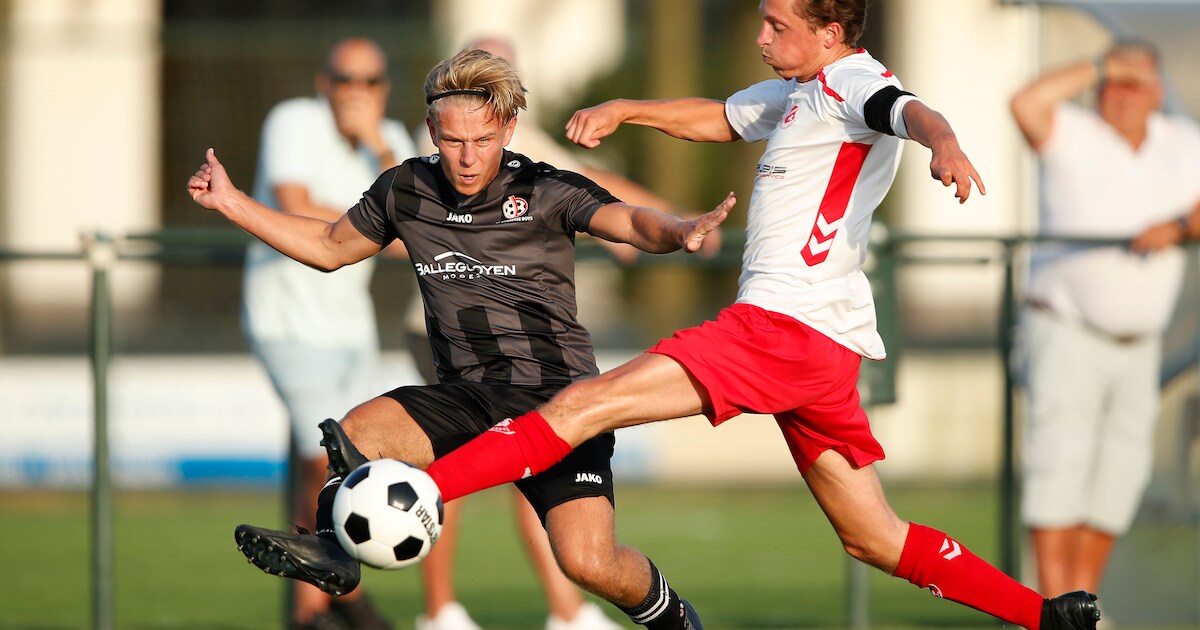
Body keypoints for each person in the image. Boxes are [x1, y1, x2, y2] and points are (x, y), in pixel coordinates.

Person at [406, 1, 1104, 628]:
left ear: (830, 34)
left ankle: (414, 491)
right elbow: (718, 117)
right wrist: (627, 108)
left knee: (581, 404)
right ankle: (1045, 617)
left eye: (778, 25)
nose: (761, 33)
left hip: (780, 329)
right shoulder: (802, 92)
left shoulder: (853, 83)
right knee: (873, 536)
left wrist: (942, 141)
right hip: (819, 345)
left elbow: (908, 109)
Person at [191, 47, 731, 630]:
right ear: (430, 130)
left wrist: (677, 229)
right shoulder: (405, 189)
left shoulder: (545, 189)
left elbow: (627, 221)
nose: (468, 158)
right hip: (466, 395)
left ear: (508, 128)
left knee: (589, 563)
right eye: (453, 142)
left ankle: (679, 621)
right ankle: (334, 556)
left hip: (560, 401)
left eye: (483, 140)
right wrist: (232, 201)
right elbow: (328, 247)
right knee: (352, 435)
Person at [408, 35, 697, 630]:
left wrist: (671, 225)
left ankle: (572, 610)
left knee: (562, 522)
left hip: (544, 371)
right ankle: (438, 610)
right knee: (438, 474)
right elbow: (344, 237)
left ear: (507, 116)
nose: (469, 151)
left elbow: (589, 189)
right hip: (456, 355)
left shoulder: (524, 156)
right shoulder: (432, 156)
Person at [1009, 39, 1200, 598]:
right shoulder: (1071, 131)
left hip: (1139, 342)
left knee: (1122, 474)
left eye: (1135, 82)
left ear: (1157, 91)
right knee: (1057, 467)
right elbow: (1025, 103)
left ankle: (1080, 601)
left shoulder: (1183, 143)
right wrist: (1097, 64)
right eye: (1113, 82)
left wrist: (1181, 227)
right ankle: (1053, 603)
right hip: (1065, 326)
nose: (1122, 94)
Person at [240, 37, 414, 630]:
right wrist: (373, 221)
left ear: (384, 87)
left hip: (350, 326)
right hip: (286, 319)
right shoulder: (293, 120)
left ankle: (313, 610)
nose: (357, 91)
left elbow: (412, 231)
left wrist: (378, 150)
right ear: (325, 82)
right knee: (324, 457)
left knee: (343, 453)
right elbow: (295, 204)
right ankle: (342, 601)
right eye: (345, 78)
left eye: (370, 79)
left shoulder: (394, 145)